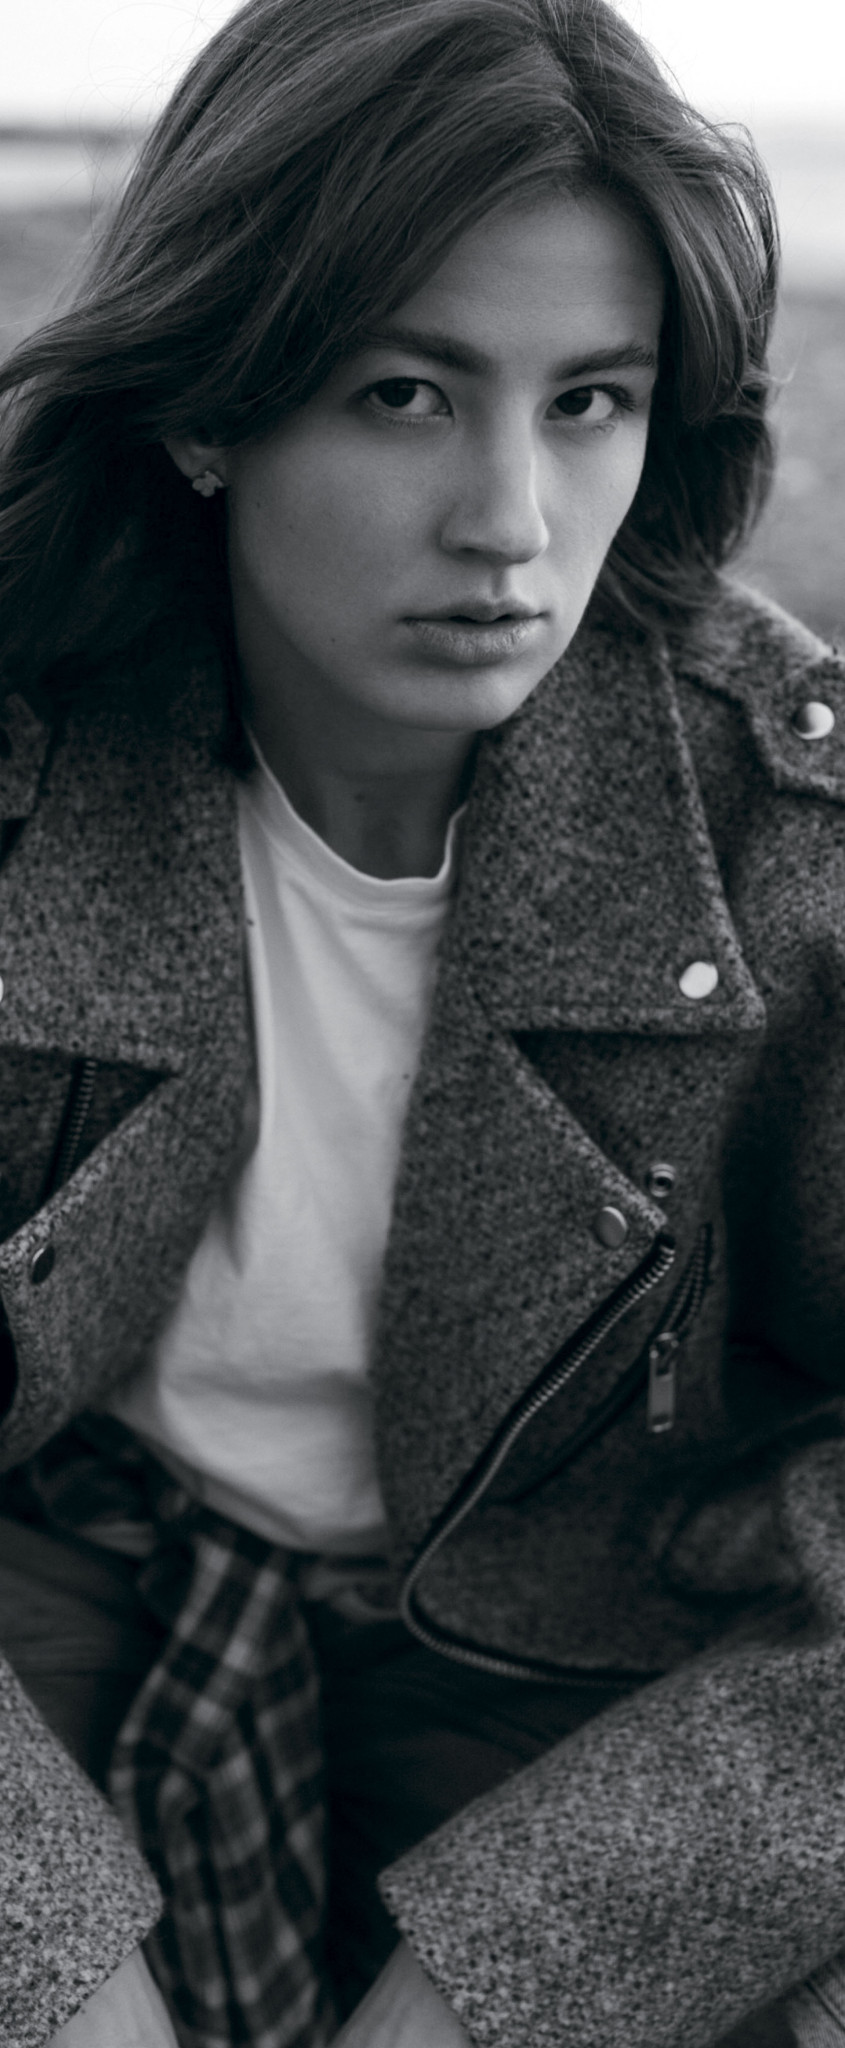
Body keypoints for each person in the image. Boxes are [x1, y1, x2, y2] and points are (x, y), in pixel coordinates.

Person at [2, 1, 845, 2045]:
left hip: (588, 1626)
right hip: (63, 1568)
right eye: (402, 392)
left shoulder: (786, 843)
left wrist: (517, 1975)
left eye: (589, 400)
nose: (509, 522)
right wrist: (42, 1951)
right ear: (206, 407)